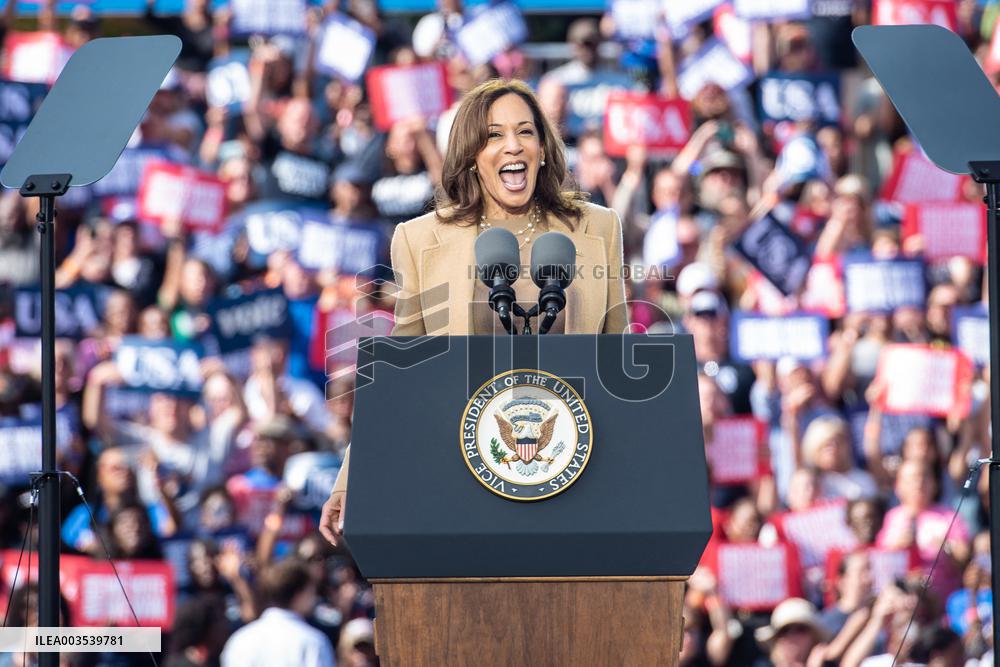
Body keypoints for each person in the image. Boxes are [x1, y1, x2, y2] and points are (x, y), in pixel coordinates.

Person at [319, 78, 629, 546]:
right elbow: (400, 375)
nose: (513, 146)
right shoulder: (420, 239)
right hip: (459, 481)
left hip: (577, 477)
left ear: (544, 150)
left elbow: (618, 356)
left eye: (525, 132)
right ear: (470, 155)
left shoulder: (598, 227)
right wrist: (350, 478)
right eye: (494, 135)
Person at [220, 559, 335, 667]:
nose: (314, 597)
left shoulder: (239, 640)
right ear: (299, 594)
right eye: (311, 591)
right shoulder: (313, 642)